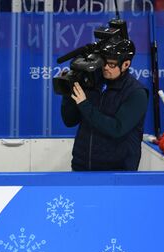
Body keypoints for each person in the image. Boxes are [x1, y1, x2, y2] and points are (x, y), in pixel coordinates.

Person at [61, 39, 149, 171]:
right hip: (82, 166)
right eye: (103, 62)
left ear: (126, 64)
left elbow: (117, 128)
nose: (106, 67)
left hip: (117, 171)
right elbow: (69, 121)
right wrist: (68, 92)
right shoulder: (93, 83)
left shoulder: (136, 93)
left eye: (112, 64)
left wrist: (85, 105)